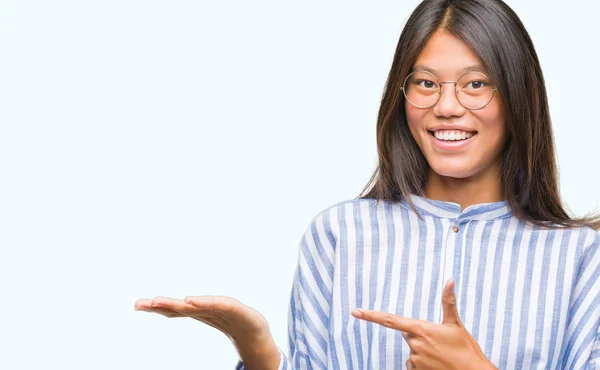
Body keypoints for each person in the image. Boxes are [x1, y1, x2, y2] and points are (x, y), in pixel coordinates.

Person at [134, 0, 600, 368]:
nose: (447, 106)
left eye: (476, 84)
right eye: (425, 83)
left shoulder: (580, 256)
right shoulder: (338, 235)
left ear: (519, 95)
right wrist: (256, 347)